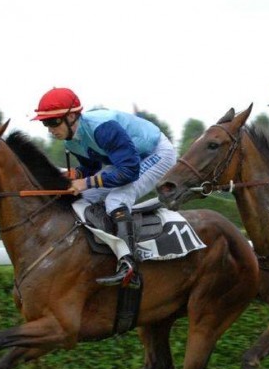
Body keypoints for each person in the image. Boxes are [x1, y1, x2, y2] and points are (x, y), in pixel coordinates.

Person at [32, 87, 177, 286]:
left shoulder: (102, 128)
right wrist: (71, 176)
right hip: (126, 160)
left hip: (156, 154)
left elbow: (129, 172)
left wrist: (86, 182)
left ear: (72, 116)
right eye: (45, 123)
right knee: (83, 198)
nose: (50, 129)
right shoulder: (71, 141)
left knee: (116, 199)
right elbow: (91, 168)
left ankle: (129, 265)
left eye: (53, 122)